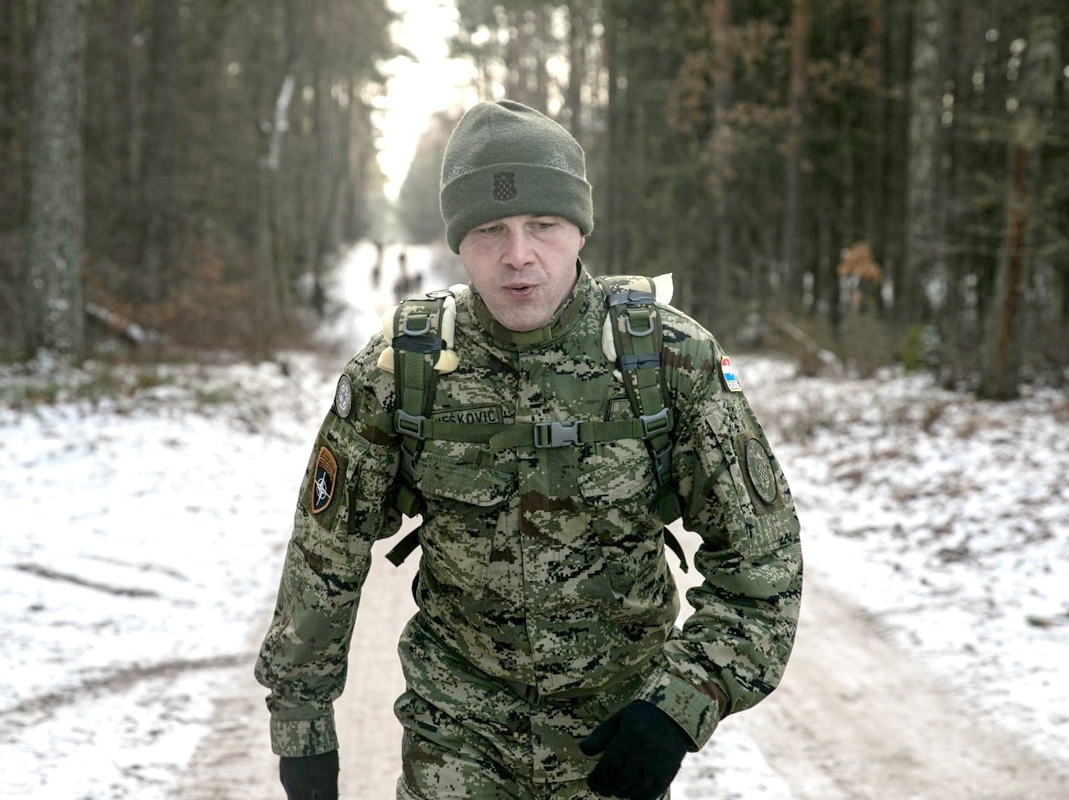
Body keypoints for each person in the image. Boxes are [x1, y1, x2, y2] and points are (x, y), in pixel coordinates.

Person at [255, 99, 803, 800]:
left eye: (542, 224)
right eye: (491, 230)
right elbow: (323, 556)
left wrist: (680, 704)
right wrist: (302, 728)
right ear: (459, 243)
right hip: (456, 743)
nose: (518, 255)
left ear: (579, 230)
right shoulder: (403, 370)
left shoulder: (668, 360)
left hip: (614, 750)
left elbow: (763, 564)